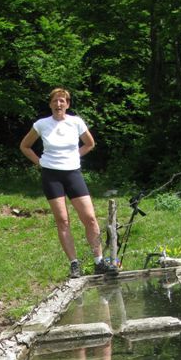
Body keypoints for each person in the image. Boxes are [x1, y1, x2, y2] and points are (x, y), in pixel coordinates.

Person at [20, 88, 118, 279]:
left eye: (62, 101)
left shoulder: (76, 122)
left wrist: (74, 156)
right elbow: (25, 146)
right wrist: (39, 162)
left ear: (68, 104)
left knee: (89, 218)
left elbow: (90, 144)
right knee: (63, 220)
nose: (59, 105)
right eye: (55, 101)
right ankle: (74, 264)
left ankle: (99, 261)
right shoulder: (41, 124)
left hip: (73, 173)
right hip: (51, 176)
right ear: (50, 104)